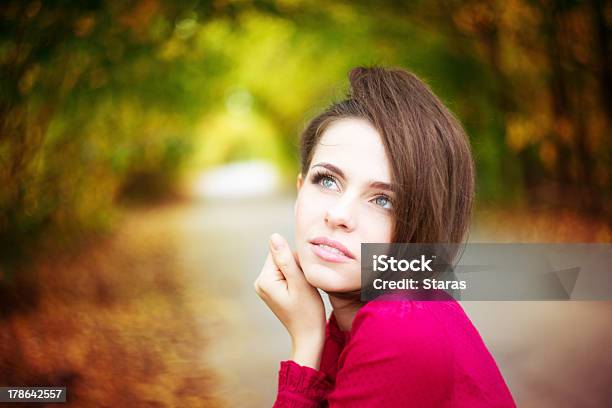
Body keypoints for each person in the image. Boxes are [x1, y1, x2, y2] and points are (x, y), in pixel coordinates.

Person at [254, 66, 516, 407]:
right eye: (328, 181)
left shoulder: (400, 328)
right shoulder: (382, 314)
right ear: (300, 188)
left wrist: (306, 341)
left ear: (419, 225)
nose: (339, 215)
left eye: (382, 200)